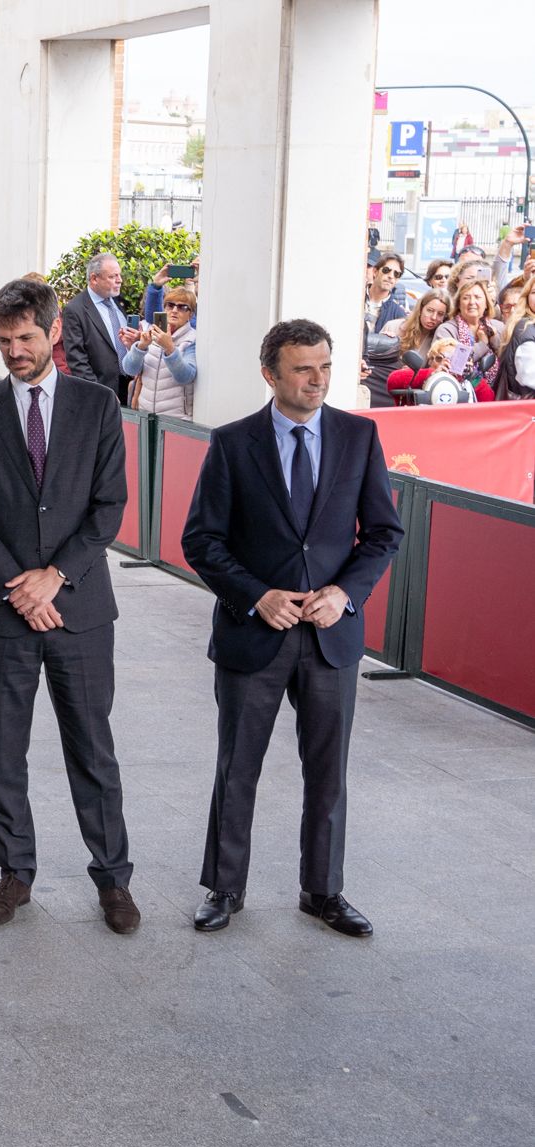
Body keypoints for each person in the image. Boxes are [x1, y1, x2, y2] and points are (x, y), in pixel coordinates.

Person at [181, 319, 403, 937]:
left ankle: (324, 891)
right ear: (270, 374)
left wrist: (345, 594)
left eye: (325, 367)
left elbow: (383, 533)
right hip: (254, 634)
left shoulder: (359, 436)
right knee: (238, 768)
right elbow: (201, 540)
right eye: (303, 369)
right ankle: (225, 888)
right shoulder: (233, 443)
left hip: (331, 638)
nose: (318, 380)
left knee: (328, 771)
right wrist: (257, 596)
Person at [0, 277, 139, 935]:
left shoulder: (97, 405)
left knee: (92, 748)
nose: (14, 351)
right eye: (4, 340)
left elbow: (108, 507)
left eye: (26, 337)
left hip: (79, 609)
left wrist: (54, 577)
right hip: (0, 615)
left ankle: (112, 878)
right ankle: (14, 873)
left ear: (54, 331)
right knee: (5, 750)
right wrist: (16, 587)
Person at [59, 252, 134, 403]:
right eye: (113, 276)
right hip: (100, 392)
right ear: (94, 278)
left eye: (119, 275)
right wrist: (99, 393)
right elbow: (77, 360)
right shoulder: (76, 309)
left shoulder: (119, 302)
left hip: (129, 387)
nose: (120, 280)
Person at [122, 285, 198, 417]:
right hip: (145, 415)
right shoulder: (152, 332)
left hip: (176, 419)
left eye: (182, 307)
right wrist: (140, 347)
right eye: (170, 305)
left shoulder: (192, 339)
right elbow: (130, 370)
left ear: (190, 315)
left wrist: (170, 348)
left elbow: (186, 377)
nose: (174, 310)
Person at [433, 278, 503, 401]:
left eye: (477, 297)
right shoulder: (446, 330)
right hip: (457, 397)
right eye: (466, 298)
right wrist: (483, 344)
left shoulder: (499, 327)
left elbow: (507, 362)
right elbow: (454, 365)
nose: (472, 302)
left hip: (496, 397)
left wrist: (493, 339)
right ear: (459, 304)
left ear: (486, 303)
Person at [382, 291, 454, 404]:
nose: (434, 317)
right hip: (384, 390)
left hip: (414, 398)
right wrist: (386, 342)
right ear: (420, 309)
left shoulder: (438, 341)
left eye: (440, 314)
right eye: (430, 310)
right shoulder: (393, 327)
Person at [492, 274, 535, 400]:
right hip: (527, 407)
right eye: (534, 292)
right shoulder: (525, 329)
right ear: (527, 297)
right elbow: (529, 376)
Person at [363, 251, 407, 334]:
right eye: (386, 270)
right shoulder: (356, 298)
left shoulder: (398, 314)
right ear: (375, 272)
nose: (391, 276)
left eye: (396, 274)